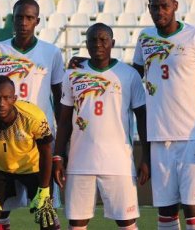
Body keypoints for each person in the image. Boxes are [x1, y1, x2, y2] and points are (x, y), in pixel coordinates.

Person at [132, 0, 195, 229]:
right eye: (154, 7)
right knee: (166, 211)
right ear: (148, 8)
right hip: (159, 138)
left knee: (194, 209)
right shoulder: (145, 38)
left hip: (193, 138)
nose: (159, 11)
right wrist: (88, 62)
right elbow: (130, 77)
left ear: (175, 6)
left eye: (164, 6)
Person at [53, 23, 150, 230]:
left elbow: (142, 118)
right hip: (80, 161)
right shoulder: (72, 74)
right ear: (86, 44)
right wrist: (58, 156)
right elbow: (64, 121)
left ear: (112, 43)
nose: (98, 44)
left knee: (126, 221)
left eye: (103, 39)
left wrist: (146, 157)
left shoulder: (129, 75)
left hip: (118, 162)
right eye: (92, 40)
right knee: (77, 222)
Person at [0, 0, 65, 229]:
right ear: (12, 19)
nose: (23, 22)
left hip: (38, 142)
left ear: (37, 21)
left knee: (45, 211)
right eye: (19, 17)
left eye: (29, 18)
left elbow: (60, 97)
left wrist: (60, 145)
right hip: (3, 140)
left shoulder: (52, 52)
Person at [0, 75, 57, 230]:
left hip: (33, 168)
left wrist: (44, 189)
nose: (1, 103)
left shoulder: (33, 116)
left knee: (46, 216)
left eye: (7, 98)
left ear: (14, 99)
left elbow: (46, 152)